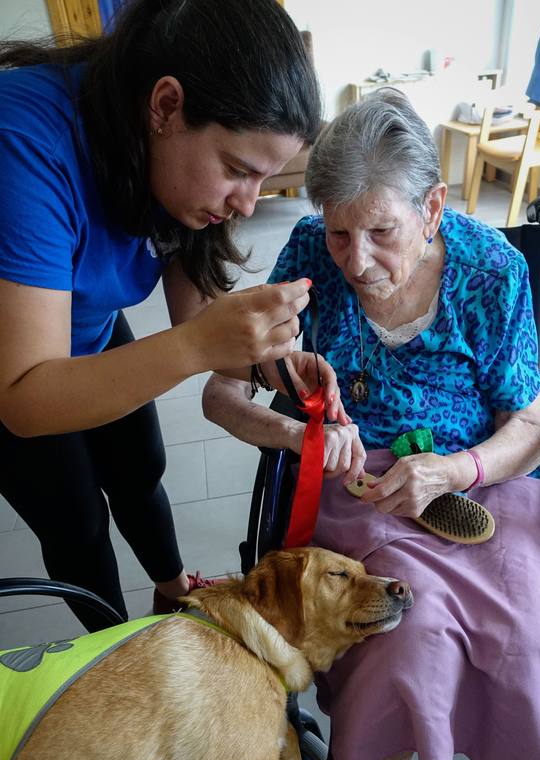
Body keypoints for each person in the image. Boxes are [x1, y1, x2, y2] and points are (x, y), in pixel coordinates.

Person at [202, 89, 540, 760]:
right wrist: (303, 435)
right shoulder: (310, 256)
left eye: (380, 232)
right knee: (398, 651)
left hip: (484, 484)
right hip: (365, 489)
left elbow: (532, 419)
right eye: (340, 232)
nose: (356, 259)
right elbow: (220, 393)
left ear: (433, 206)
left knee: (531, 650)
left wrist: (458, 471)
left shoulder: (493, 270)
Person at [0, 0, 347, 633]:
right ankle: (114, 648)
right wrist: (193, 348)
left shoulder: (168, 164)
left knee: (139, 467)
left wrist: (276, 367)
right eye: (239, 171)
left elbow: (199, 317)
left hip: (90, 326)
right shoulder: (23, 147)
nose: (245, 206)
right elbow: (25, 398)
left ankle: (172, 589)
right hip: (13, 366)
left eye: (263, 181)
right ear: (165, 106)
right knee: (74, 515)